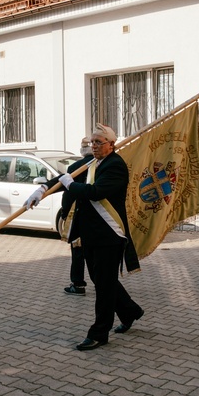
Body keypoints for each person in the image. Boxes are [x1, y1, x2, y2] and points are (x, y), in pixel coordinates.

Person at [25, 124, 143, 351]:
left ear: (111, 144)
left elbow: (95, 193)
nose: (94, 146)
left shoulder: (115, 166)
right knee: (102, 280)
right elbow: (64, 177)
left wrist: (72, 185)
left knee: (104, 287)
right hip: (90, 235)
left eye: (99, 142)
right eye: (92, 142)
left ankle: (99, 333)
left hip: (109, 236)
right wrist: (42, 190)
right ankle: (130, 312)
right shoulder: (91, 162)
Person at [63, 137, 92, 296]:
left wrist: (65, 212)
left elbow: (68, 193)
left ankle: (78, 283)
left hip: (80, 216)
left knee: (78, 249)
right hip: (100, 217)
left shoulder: (75, 167)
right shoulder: (104, 164)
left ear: (82, 151)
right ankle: (105, 283)